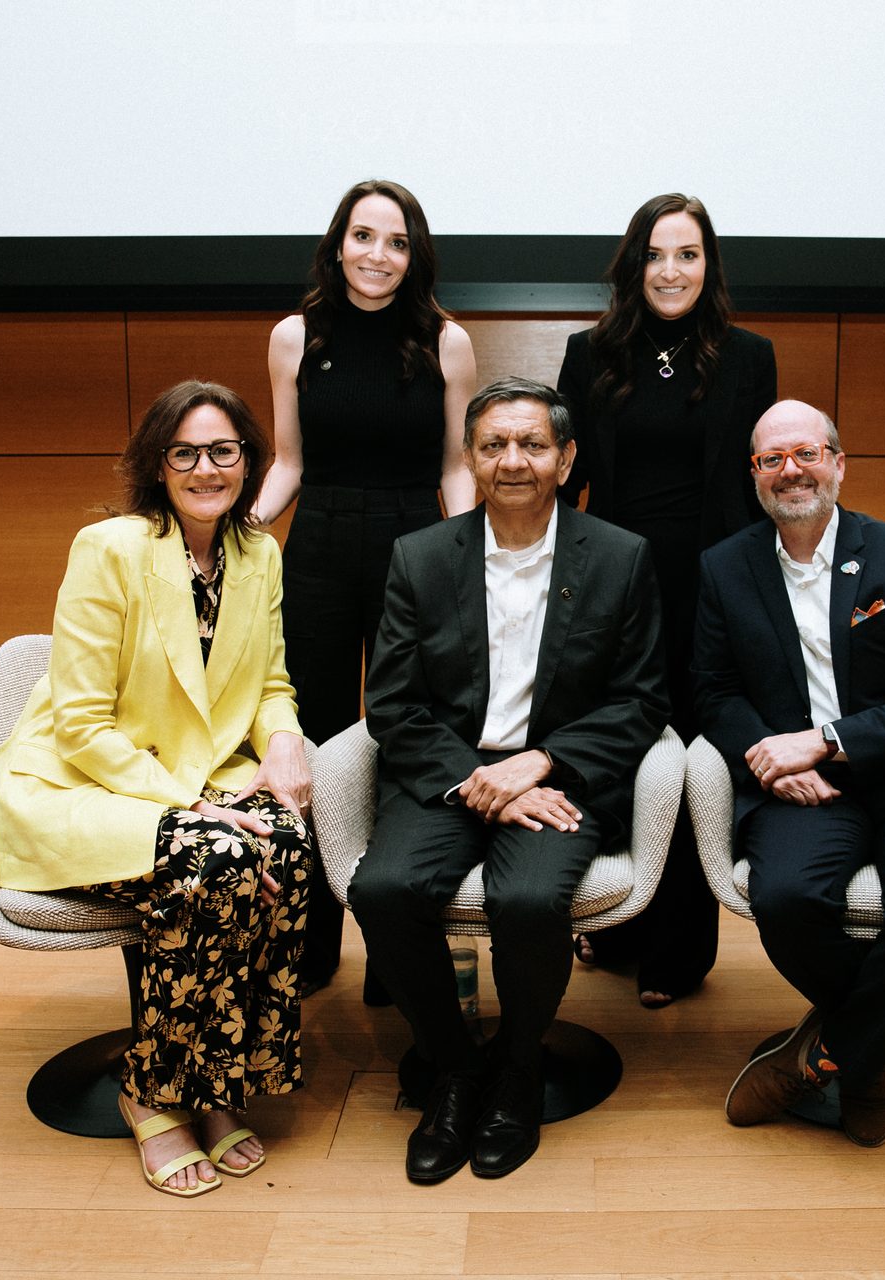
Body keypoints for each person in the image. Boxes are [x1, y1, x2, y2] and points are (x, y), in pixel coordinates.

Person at [0, 379, 314, 1198]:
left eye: (224, 451)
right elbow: (81, 723)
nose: (207, 468)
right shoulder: (110, 549)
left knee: (288, 846)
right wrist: (188, 802)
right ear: (157, 465)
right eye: (186, 453)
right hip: (89, 779)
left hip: (199, 774)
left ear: (249, 460)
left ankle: (216, 1083)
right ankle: (154, 1091)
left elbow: (271, 678)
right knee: (213, 862)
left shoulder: (258, 551)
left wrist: (282, 739)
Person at [349, 377, 670, 1183]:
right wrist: (481, 778)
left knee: (528, 901)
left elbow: (641, 701)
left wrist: (542, 763)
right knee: (383, 890)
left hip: (557, 772)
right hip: (447, 772)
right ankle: (455, 1066)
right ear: (469, 458)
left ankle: (519, 1069)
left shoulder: (621, 557)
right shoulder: (420, 557)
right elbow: (391, 703)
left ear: (565, 458)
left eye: (532, 444)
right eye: (493, 445)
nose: (513, 460)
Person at [690, 399, 885, 1147]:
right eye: (772, 459)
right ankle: (866, 1057)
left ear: (839, 462)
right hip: (804, 789)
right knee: (788, 896)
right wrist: (770, 757)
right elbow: (712, 692)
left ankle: (829, 1056)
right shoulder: (724, 567)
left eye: (807, 452)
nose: (791, 470)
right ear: (754, 476)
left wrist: (825, 740)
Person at [257, 178, 478, 996]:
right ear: (336, 244)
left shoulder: (445, 340)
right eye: (363, 236)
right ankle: (311, 946)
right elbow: (288, 463)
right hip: (315, 544)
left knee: (398, 736)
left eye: (396, 241)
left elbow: (455, 468)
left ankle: (397, 945)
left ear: (414, 254)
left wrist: (467, 559)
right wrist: (235, 535)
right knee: (312, 739)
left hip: (414, 547)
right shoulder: (295, 336)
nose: (377, 255)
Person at [556, 193, 777, 1008]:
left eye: (687, 255)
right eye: (656, 254)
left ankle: (679, 952)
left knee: (694, 750)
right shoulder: (590, 355)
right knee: (616, 744)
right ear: (632, 264)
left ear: (708, 266)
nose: (671, 270)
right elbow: (566, 479)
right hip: (613, 586)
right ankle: (613, 922)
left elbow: (760, 488)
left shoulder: (749, 357)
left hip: (713, 585)